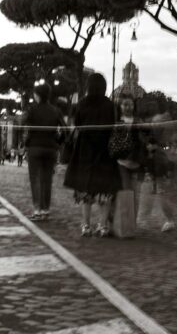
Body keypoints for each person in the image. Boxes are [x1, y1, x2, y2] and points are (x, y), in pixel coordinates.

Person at [63, 72, 121, 237]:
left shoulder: (81, 104)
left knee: (85, 190)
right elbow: (112, 126)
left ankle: (85, 225)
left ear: (88, 86)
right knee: (104, 190)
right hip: (104, 151)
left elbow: (78, 125)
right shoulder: (111, 105)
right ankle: (102, 226)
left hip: (85, 150)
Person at [106, 94, 147, 235]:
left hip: (136, 162)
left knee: (134, 194)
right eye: (125, 104)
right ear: (120, 106)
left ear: (134, 106)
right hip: (121, 162)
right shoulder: (117, 122)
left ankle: (130, 224)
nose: (128, 107)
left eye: (130, 104)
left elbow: (146, 140)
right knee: (126, 191)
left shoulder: (140, 122)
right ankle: (122, 223)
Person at [23, 84, 65, 221]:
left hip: (35, 146)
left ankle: (37, 210)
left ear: (38, 95)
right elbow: (65, 129)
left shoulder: (32, 109)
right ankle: (46, 210)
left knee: (35, 179)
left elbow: (22, 122)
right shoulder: (56, 110)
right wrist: (58, 141)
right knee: (47, 180)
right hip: (51, 147)